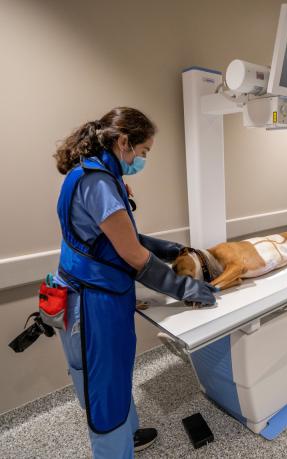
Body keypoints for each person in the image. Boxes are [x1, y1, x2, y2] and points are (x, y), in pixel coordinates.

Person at [52, 107, 217, 458]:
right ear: (124, 141)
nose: (142, 161)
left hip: (83, 291)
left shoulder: (91, 173)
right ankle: (115, 450)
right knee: (107, 387)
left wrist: (169, 248)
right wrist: (186, 288)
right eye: (143, 153)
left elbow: (112, 236)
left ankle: (129, 435)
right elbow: (132, 255)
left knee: (106, 376)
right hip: (94, 303)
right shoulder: (97, 182)